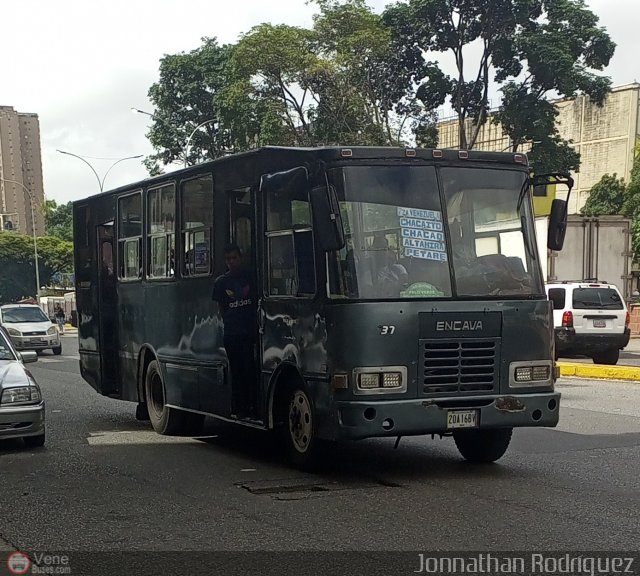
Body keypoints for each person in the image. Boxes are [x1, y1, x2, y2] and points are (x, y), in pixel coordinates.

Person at [212, 244, 257, 418]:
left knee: (249, 369)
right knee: (237, 371)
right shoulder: (221, 282)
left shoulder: (250, 277)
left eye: (234, 258)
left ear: (241, 257)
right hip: (232, 334)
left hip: (249, 332)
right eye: (229, 259)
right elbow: (221, 309)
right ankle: (239, 407)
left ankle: (251, 406)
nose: (232, 262)